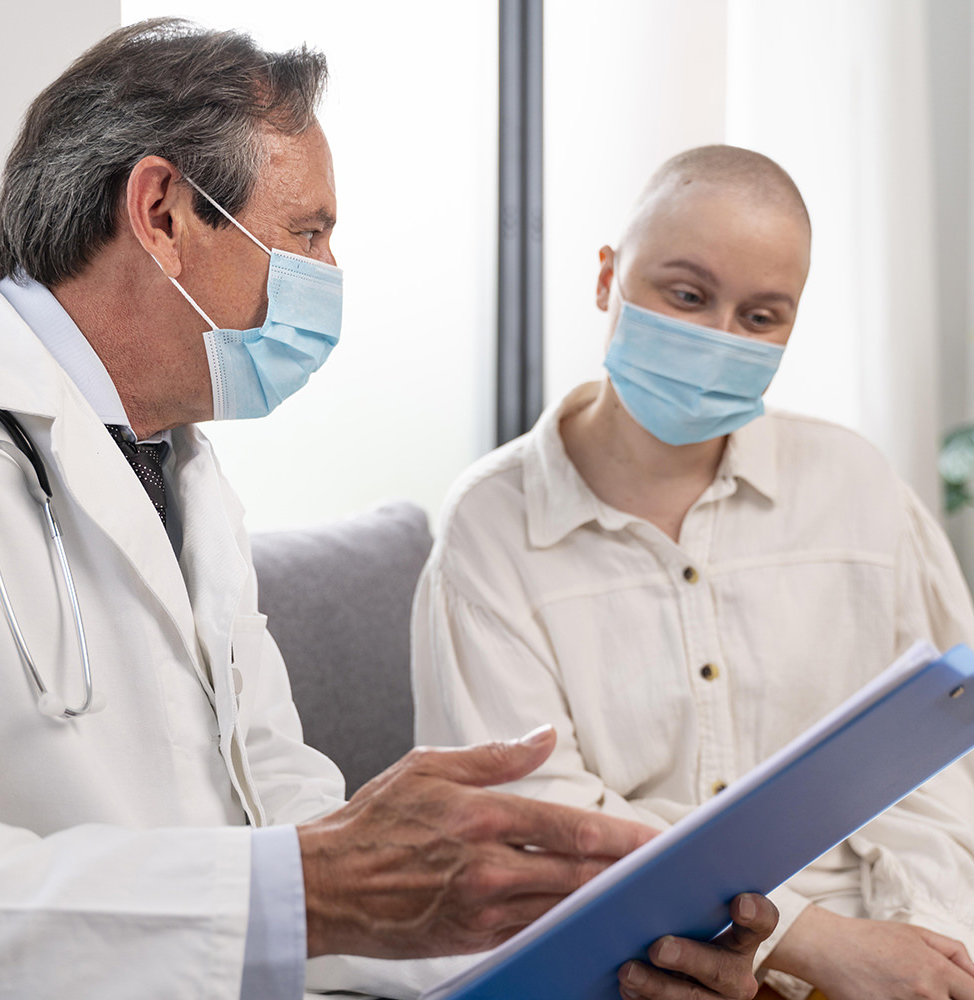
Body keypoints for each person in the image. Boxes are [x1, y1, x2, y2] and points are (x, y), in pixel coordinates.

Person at [0, 20, 780, 1000]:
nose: (332, 276)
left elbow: (275, 793)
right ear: (163, 212)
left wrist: (598, 954)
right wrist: (307, 890)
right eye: (307, 232)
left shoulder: (182, 471)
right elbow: (291, 883)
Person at [412, 144, 974, 1000]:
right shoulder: (491, 528)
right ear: (608, 279)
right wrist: (802, 940)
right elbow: (535, 826)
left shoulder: (857, 487)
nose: (719, 339)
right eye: (687, 294)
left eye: (761, 316)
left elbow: (941, 764)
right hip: (630, 964)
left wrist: (922, 949)